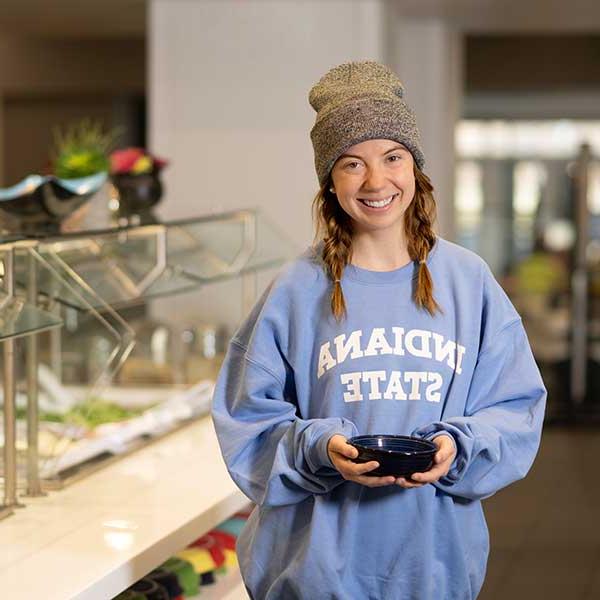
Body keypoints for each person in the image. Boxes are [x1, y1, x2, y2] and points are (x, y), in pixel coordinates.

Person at [211, 60, 546, 600]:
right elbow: (246, 424)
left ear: (414, 167)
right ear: (330, 180)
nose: (375, 181)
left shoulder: (469, 282)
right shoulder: (296, 288)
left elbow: (516, 413)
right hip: (313, 570)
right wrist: (321, 448)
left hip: (432, 567)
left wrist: (455, 449)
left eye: (392, 157)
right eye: (351, 164)